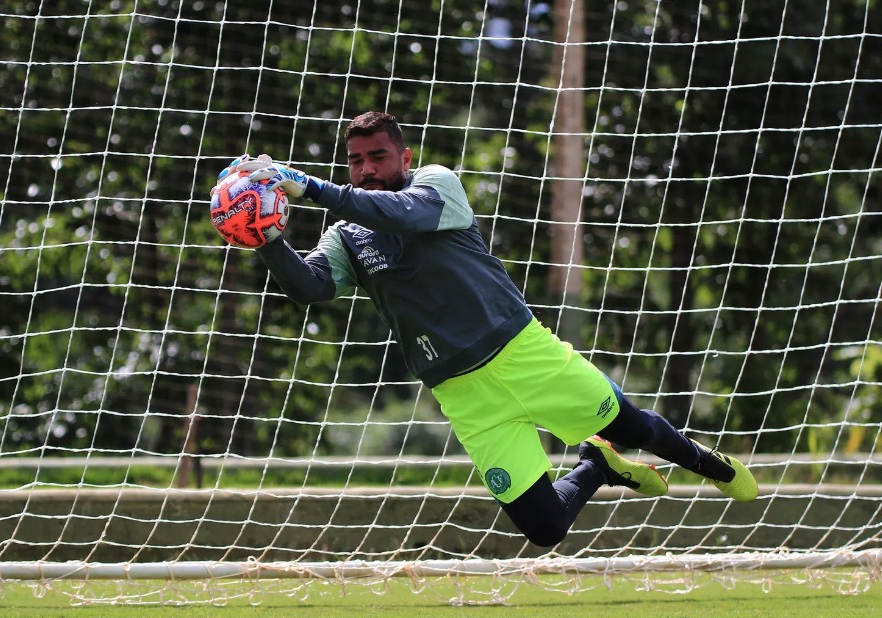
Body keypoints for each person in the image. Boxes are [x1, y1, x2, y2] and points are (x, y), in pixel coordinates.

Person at [211, 111, 757, 548]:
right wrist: (266, 235)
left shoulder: (437, 185)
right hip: (461, 393)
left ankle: (708, 463)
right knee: (545, 529)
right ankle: (596, 463)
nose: (366, 168)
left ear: (405, 156)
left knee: (633, 428)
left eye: (378, 156)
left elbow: (401, 215)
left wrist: (308, 185)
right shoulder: (348, 234)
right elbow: (310, 288)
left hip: (522, 354)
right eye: (356, 160)